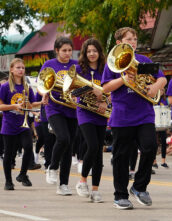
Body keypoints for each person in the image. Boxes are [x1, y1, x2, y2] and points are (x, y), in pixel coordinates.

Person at [102, 27, 166, 209]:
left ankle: (139, 187)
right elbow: (105, 88)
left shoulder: (144, 60)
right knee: (121, 157)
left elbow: (161, 79)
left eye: (135, 39)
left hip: (144, 114)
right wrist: (123, 80)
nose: (133, 42)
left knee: (150, 147)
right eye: (129, 39)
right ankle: (120, 195)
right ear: (119, 43)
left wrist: (155, 88)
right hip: (122, 116)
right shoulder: (112, 63)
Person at [40, 36, 78, 195]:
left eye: (70, 50)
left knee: (68, 148)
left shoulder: (76, 65)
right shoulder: (49, 64)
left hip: (72, 108)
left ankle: (63, 185)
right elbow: (41, 84)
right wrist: (43, 93)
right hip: (54, 108)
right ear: (57, 50)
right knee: (63, 138)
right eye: (64, 50)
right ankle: (52, 166)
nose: (67, 53)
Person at [73, 38, 107, 203]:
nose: (92, 54)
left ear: (100, 53)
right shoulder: (79, 69)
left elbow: (111, 91)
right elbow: (73, 92)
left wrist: (104, 102)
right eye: (89, 51)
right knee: (92, 145)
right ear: (84, 54)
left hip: (101, 112)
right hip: (85, 112)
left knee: (98, 153)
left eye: (95, 51)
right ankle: (82, 181)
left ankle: (95, 190)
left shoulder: (106, 69)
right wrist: (92, 89)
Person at [0, 58, 35, 191]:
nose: (21, 70)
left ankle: (23, 174)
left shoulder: (27, 87)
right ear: (12, 70)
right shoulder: (5, 86)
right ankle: (8, 181)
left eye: (23, 68)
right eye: (18, 67)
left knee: (29, 147)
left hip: (23, 124)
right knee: (9, 153)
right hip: (9, 124)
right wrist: (14, 106)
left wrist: (36, 104)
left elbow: (31, 104)